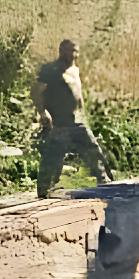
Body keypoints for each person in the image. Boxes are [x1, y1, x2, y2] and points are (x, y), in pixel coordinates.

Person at [35, 39, 114, 197]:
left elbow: (78, 93)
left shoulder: (75, 70)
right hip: (59, 120)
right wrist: (42, 112)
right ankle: (44, 188)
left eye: (75, 51)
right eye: (69, 50)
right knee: (53, 154)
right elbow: (36, 91)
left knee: (92, 149)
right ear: (61, 51)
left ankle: (105, 181)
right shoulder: (51, 70)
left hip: (76, 120)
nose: (72, 54)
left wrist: (82, 112)